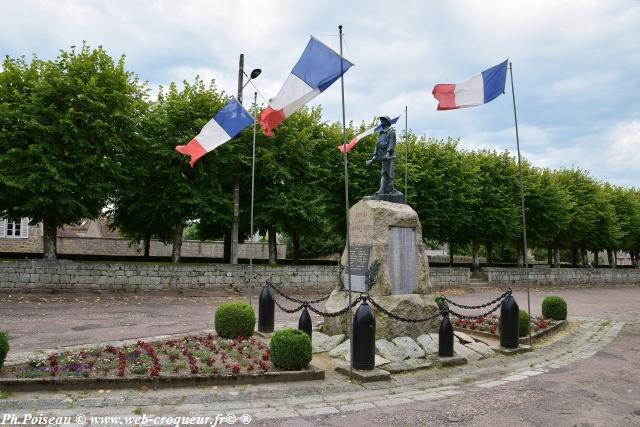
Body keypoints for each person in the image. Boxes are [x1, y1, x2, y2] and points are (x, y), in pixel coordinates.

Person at [366, 116, 398, 195]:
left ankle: (383, 190)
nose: (381, 121)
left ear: (387, 122)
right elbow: (377, 145)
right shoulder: (380, 132)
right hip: (381, 155)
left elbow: (391, 144)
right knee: (385, 172)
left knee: (386, 172)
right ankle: (387, 189)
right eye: (381, 120)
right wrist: (374, 155)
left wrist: (388, 153)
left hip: (388, 156)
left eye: (383, 120)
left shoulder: (391, 132)